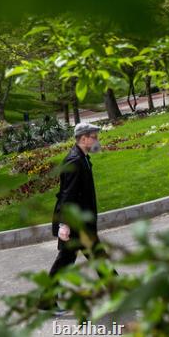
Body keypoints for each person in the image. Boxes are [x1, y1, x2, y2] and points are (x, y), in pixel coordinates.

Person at [40, 122, 116, 312]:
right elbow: (68, 195)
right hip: (76, 225)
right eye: (94, 136)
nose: (97, 139)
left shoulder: (82, 158)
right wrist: (64, 225)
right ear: (83, 138)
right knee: (70, 261)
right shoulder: (74, 161)